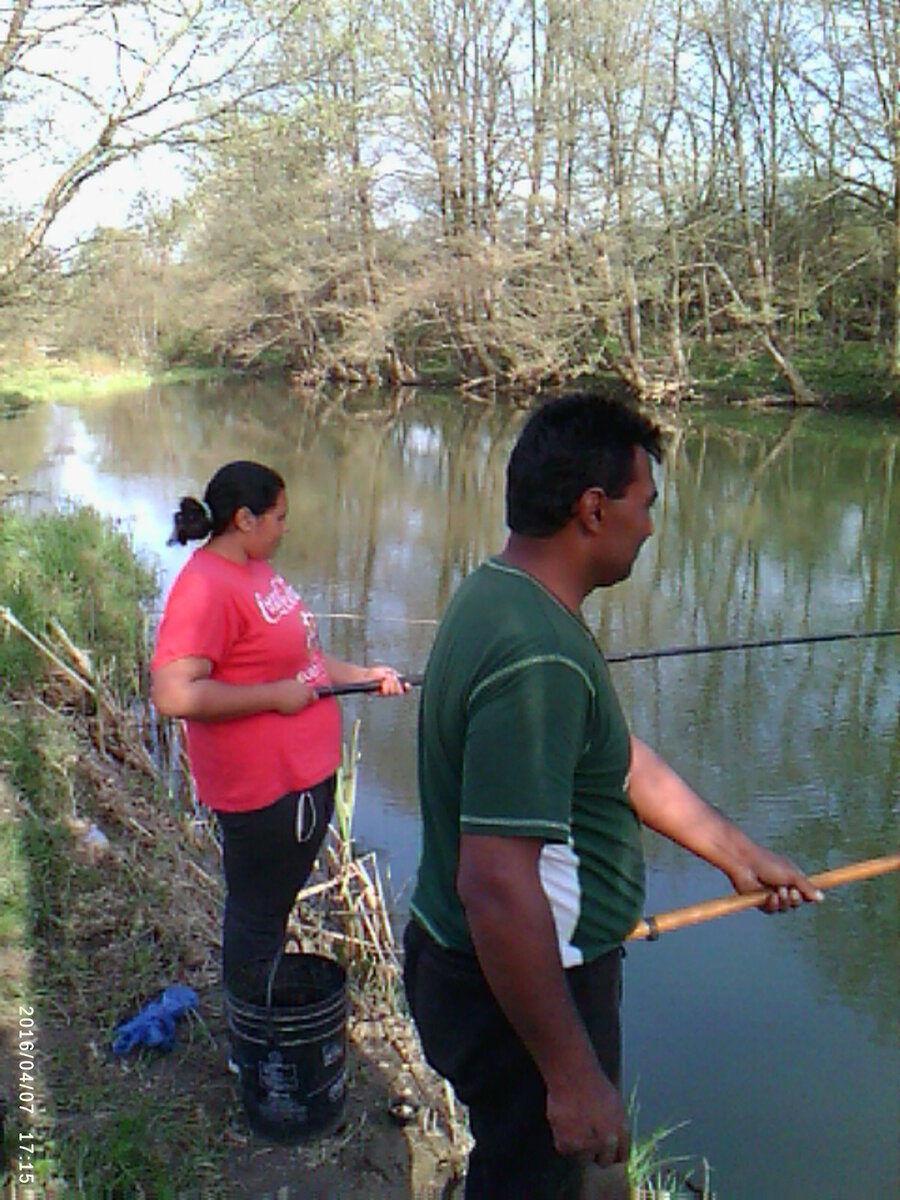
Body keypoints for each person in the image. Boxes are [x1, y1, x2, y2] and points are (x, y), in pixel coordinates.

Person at [403, 393, 823, 1200]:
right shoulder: (539, 658)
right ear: (593, 510)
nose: (652, 526)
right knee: (534, 1183)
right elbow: (495, 885)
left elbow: (615, 761)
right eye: (645, 505)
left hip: (486, 972)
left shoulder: (501, 593)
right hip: (522, 989)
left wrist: (738, 855)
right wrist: (572, 1075)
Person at [150, 460, 406, 988]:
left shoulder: (255, 567)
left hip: (303, 782)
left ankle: (261, 1019)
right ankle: (251, 1041)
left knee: (271, 913)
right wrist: (273, 698)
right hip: (262, 791)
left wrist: (366, 675)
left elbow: (303, 661)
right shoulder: (205, 586)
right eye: (279, 517)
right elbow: (172, 693)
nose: (285, 528)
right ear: (245, 518)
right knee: (257, 916)